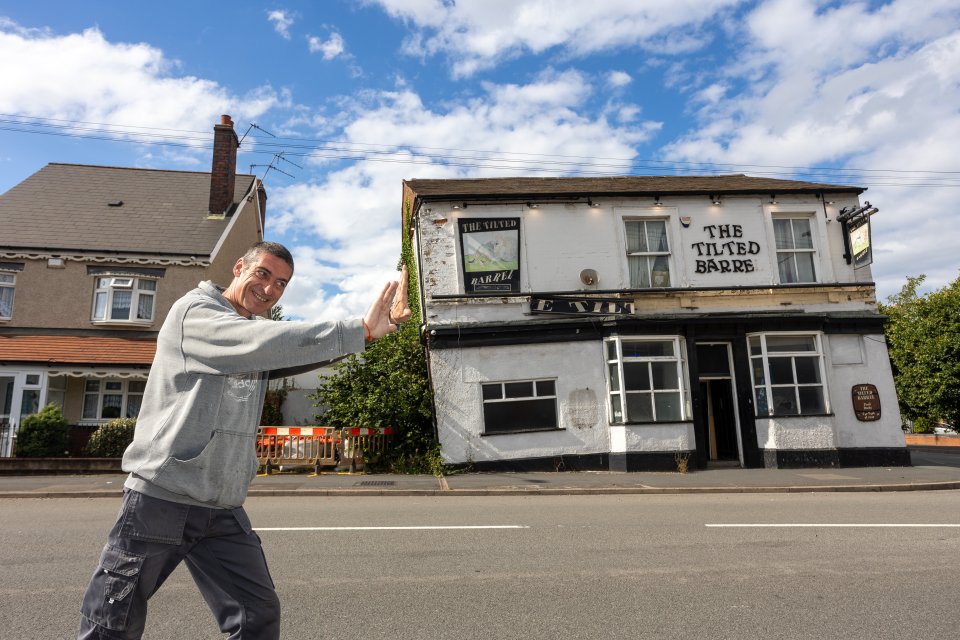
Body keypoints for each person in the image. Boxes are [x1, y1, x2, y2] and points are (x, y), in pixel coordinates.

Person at [77, 241, 410, 639]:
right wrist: (358, 329)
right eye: (263, 274)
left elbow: (283, 352)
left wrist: (367, 337)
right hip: (162, 497)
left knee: (257, 614)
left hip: (221, 506)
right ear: (239, 268)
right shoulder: (195, 313)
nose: (270, 289)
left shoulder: (253, 331)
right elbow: (261, 345)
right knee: (115, 617)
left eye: (282, 284)